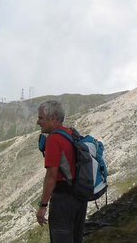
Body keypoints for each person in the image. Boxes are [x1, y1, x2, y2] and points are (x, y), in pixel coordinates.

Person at [36, 100, 88, 243]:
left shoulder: (53, 139)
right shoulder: (71, 133)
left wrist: (42, 206)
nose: (38, 122)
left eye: (41, 118)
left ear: (52, 118)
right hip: (80, 197)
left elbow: (51, 176)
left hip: (63, 200)